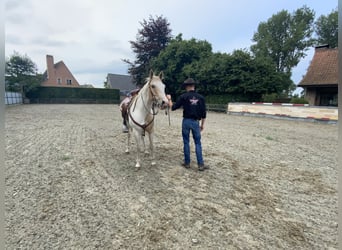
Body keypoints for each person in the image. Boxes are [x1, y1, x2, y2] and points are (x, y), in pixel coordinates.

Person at [167, 78, 209, 171]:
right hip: (195, 122)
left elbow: (173, 107)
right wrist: (202, 125)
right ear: (194, 86)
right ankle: (200, 164)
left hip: (186, 121)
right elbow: (204, 113)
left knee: (186, 142)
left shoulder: (183, 96)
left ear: (186, 86)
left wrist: (169, 99)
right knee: (198, 143)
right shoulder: (201, 98)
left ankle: (187, 163)